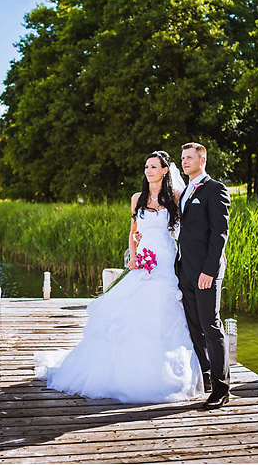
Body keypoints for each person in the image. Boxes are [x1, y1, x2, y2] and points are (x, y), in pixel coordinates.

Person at [35, 151, 204, 403]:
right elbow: (132, 231)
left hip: (166, 261)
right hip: (144, 260)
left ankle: (165, 375)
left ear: (165, 170)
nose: (148, 171)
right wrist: (134, 256)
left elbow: (185, 231)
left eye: (153, 167)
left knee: (164, 312)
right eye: (146, 167)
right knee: (130, 310)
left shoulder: (176, 198)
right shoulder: (137, 198)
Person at [176, 142, 232, 410]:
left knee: (211, 325)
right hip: (184, 270)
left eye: (189, 158)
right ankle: (207, 376)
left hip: (206, 272)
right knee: (195, 326)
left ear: (203, 159)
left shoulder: (215, 189)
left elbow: (220, 233)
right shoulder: (185, 191)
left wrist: (209, 270)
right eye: (183, 158)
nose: (185, 162)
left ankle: (222, 389)